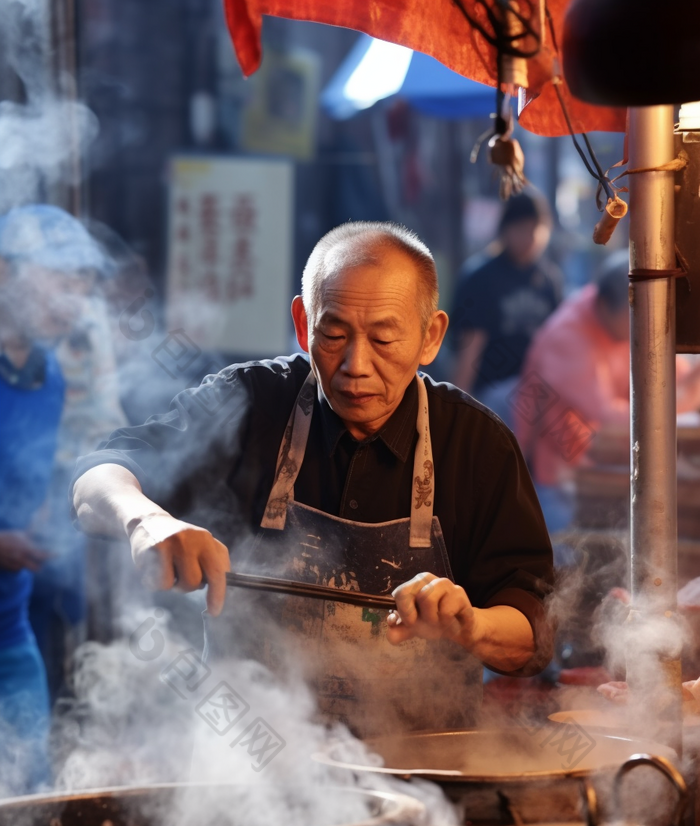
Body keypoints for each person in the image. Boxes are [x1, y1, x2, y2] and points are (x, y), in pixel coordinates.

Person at [71, 221, 554, 735]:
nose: (355, 365)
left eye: (385, 338)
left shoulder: (477, 446)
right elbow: (95, 478)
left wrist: (472, 625)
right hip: (254, 771)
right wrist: (144, 521)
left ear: (431, 336)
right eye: (334, 334)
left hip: (428, 775)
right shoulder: (251, 404)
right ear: (303, 325)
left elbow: (535, 633)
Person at [0, 204, 103, 792]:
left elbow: (31, 478)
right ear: (6, 272)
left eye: (82, 287)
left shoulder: (50, 375)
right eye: (61, 281)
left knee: (28, 793)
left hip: (10, 623)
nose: (73, 302)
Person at [513, 252, 700, 534]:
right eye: (633, 319)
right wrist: (682, 397)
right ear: (605, 305)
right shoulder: (568, 338)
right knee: (572, 564)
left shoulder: (624, 318)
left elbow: (675, 377)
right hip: (562, 479)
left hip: (604, 467)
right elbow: (615, 418)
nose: (640, 328)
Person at [450, 191, 562, 427]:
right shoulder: (481, 278)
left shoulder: (548, 280)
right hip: (491, 391)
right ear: (505, 229)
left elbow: (557, 345)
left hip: (539, 390)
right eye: (522, 228)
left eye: (537, 228)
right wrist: (454, 412)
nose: (531, 236)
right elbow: (470, 347)